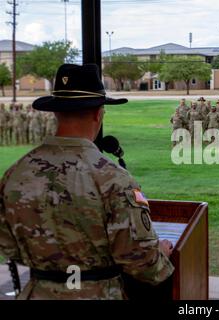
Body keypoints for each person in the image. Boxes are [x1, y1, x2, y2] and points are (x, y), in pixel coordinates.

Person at [0, 63, 174, 300]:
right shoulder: (113, 179)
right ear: (98, 113)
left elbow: (8, 246)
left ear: (56, 112)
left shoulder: (15, 173)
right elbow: (144, 265)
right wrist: (161, 253)